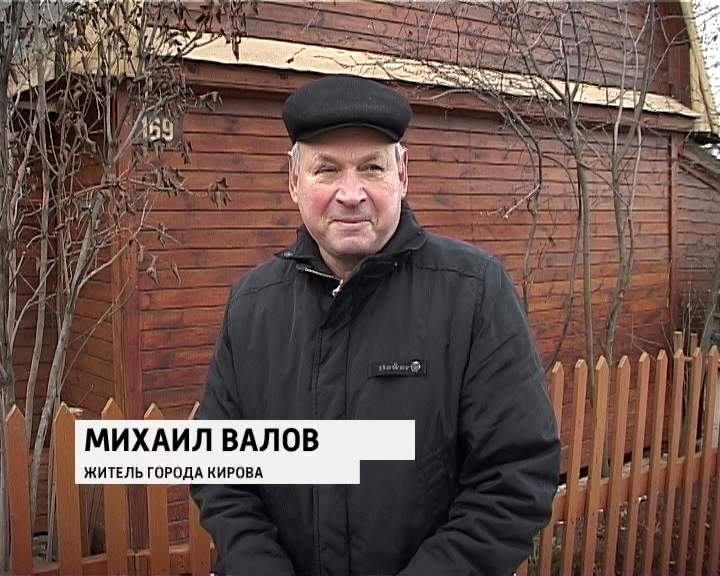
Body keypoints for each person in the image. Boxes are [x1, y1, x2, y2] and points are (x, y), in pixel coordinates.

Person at [191, 74, 560, 576]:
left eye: (371, 167)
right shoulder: (253, 307)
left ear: (402, 175)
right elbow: (221, 470)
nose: (351, 193)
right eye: (327, 169)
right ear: (294, 181)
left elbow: (514, 475)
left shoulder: (473, 294)